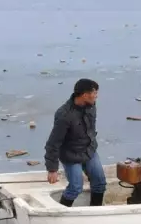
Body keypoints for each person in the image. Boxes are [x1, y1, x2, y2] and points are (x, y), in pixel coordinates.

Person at [44, 78, 107, 207]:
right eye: (94, 92)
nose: (96, 96)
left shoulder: (91, 106)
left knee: (100, 183)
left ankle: (96, 212)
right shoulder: (64, 115)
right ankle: (62, 213)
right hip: (71, 155)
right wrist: (52, 169)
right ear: (84, 95)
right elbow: (53, 143)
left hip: (89, 150)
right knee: (76, 187)